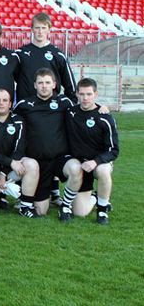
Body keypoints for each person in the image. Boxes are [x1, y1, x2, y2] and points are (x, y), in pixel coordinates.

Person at [12, 68, 75, 216]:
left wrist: (99, 108)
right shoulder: (24, 105)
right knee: (41, 211)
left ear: (54, 84)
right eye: (40, 83)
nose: (44, 86)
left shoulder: (64, 102)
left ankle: (67, 204)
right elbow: (9, 123)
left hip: (60, 158)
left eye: (47, 82)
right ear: (35, 85)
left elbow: (83, 115)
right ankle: (26, 195)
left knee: (75, 169)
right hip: (39, 162)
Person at [0, 88, 40, 218]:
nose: (1, 103)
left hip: (8, 170)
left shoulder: (18, 121)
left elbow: (19, 149)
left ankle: (25, 207)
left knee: (32, 164)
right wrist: (9, 163)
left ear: (10, 104)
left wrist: (4, 173)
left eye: (5, 100)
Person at [63, 78, 118, 224]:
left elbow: (114, 150)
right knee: (80, 213)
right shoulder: (69, 112)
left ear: (95, 94)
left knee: (103, 171)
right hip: (79, 164)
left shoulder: (105, 117)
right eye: (82, 94)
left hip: (99, 162)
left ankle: (102, 212)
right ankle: (95, 196)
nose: (85, 98)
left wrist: (96, 161)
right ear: (76, 94)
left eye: (89, 94)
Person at [16, 12, 77, 103]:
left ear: (49, 30)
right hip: (26, 107)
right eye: (37, 28)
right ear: (32, 29)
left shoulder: (58, 55)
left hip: (51, 108)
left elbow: (70, 85)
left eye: (43, 28)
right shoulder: (20, 53)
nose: (40, 31)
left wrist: (71, 105)